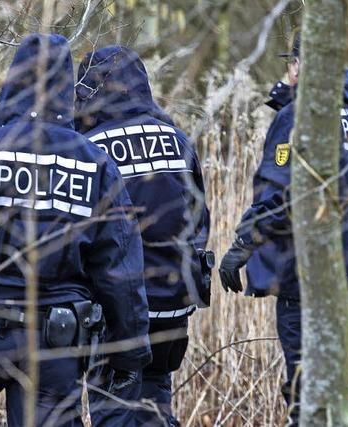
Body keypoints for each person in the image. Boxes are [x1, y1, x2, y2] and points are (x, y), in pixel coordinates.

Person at [0, 34, 151, 426]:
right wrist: (131, 352)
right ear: (67, 87)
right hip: (53, 343)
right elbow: (120, 270)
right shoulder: (94, 163)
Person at [218, 38, 348, 426]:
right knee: (320, 384)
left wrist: (244, 242)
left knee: (313, 387)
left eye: (293, 62)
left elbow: (286, 196)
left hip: (305, 273)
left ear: (304, 65)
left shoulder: (303, 116)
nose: (289, 71)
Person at [74, 45, 212, 427]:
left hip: (118, 311)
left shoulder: (91, 148)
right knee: (154, 408)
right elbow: (200, 219)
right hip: (172, 306)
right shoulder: (177, 139)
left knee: (114, 412)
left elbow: (81, 234)